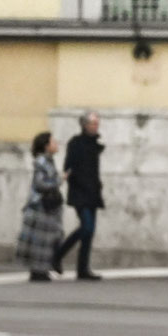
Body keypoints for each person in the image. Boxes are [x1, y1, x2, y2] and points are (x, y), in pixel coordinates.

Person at [53, 111, 104, 281]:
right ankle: (58, 254)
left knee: (89, 232)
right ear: (84, 125)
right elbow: (69, 167)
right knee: (86, 227)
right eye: (93, 123)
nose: (96, 126)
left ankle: (83, 268)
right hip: (80, 192)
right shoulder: (76, 143)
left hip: (93, 192)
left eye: (97, 123)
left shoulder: (94, 143)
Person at [15, 131, 64, 282]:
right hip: (41, 206)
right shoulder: (42, 161)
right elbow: (40, 183)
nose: (56, 144)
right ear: (46, 146)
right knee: (40, 240)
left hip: (45, 206)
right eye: (53, 142)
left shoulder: (47, 161)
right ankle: (38, 271)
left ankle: (42, 269)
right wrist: (59, 181)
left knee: (45, 239)